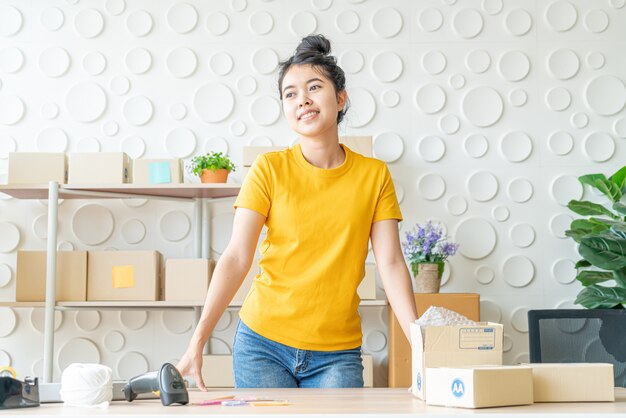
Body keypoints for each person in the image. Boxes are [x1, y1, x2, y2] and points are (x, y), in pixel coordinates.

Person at [177, 34, 418, 389]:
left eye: (314, 87)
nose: (301, 99)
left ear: (340, 98)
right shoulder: (268, 169)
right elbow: (235, 258)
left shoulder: (374, 175)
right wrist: (197, 342)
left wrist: (419, 345)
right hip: (262, 344)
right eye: (290, 93)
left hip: (337, 353)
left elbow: (392, 263)